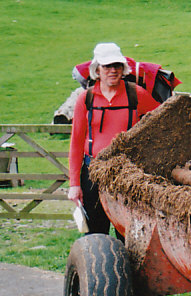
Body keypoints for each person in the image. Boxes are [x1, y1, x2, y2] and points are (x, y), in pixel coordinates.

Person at [68, 43, 160, 235]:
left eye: (117, 66)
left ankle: (126, 266)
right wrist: (74, 185)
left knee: (127, 233)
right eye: (107, 66)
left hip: (127, 174)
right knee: (94, 232)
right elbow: (76, 143)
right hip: (92, 173)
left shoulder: (136, 94)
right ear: (97, 69)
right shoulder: (86, 99)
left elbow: (160, 122)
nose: (113, 71)